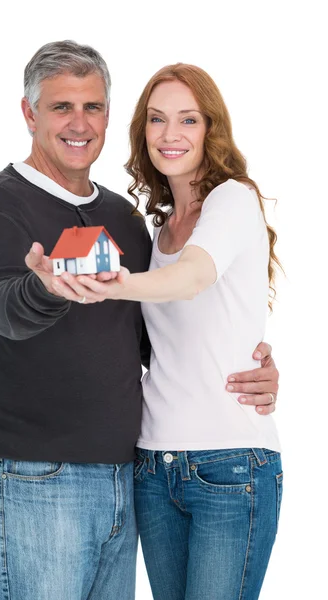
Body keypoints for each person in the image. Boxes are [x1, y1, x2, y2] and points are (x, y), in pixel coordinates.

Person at [0, 41, 279, 600]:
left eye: (94, 107)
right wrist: (45, 286)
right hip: (35, 480)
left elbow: (152, 338)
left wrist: (248, 362)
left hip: (128, 478)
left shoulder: (126, 221)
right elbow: (0, 305)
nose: (80, 123)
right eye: (61, 107)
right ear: (29, 113)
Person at [67, 63, 283, 600]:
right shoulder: (158, 227)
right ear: (142, 130)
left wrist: (115, 284)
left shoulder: (233, 199)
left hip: (229, 462)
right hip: (152, 464)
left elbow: (193, 278)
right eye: (158, 120)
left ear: (211, 129)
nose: (171, 135)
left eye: (189, 119)